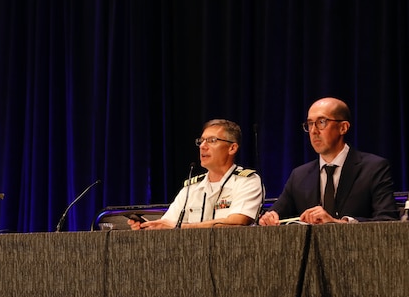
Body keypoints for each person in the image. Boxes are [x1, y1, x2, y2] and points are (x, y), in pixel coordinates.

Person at [259, 97, 399, 225]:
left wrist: (337, 223)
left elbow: (387, 221)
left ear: (343, 127)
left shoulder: (373, 168)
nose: (314, 131)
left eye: (321, 122)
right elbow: (276, 213)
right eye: (310, 124)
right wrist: (268, 218)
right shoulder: (299, 175)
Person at [128, 119, 263, 230]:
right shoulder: (192, 187)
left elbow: (237, 223)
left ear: (232, 148)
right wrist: (148, 226)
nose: (203, 146)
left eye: (212, 141)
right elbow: (168, 224)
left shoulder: (247, 181)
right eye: (201, 141)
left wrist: (180, 227)